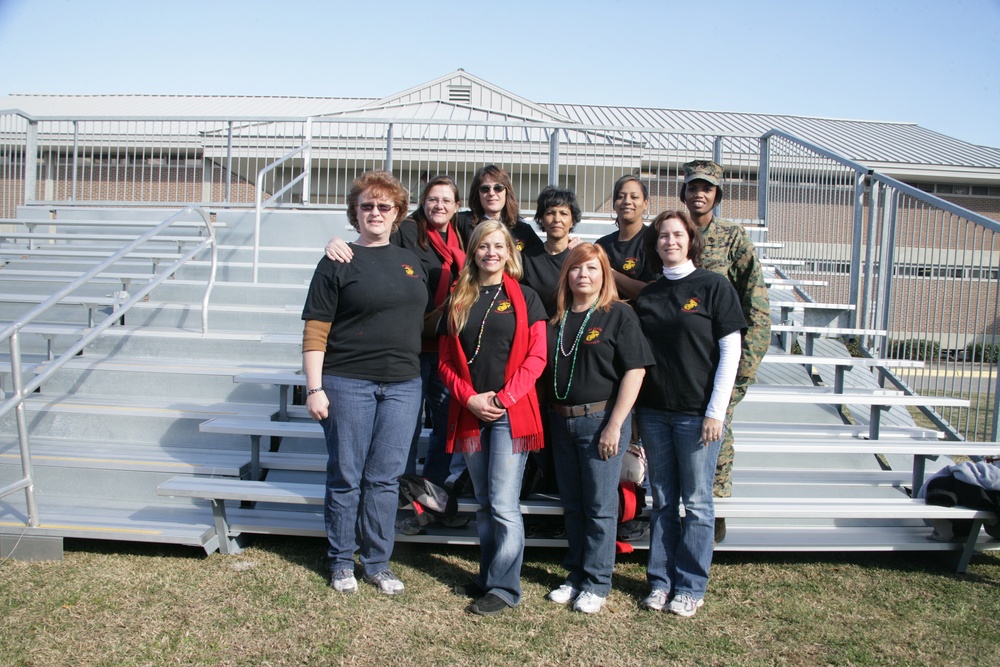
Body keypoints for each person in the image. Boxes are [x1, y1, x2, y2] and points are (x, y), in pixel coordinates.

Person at [302, 170, 426, 596]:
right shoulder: (336, 260)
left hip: (403, 386)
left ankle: (377, 562)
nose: (375, 212)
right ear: (354, 213)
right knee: (346, 475)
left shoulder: (413, 261)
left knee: (385, 479)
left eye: (384, 206)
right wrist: (314, 388)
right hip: (346, 382)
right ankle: (341, 561)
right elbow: (316, 329)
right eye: (367, 206)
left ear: (398, 214)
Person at [323, 176, 468, 499]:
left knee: (446, 424)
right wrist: (335, 241)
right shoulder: (407, 231)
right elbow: (374, 245)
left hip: (444, 344)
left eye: (446, 200)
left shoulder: (462, 234)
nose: (439, 205)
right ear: (422, 203)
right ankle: (400, 492)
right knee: (406, 427)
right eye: (432, 199)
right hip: (411, 346)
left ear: (457, 206)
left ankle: (429, 493)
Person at [634, 210, 746, 617]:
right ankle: (660, 582)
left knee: (697, 503)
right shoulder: (648, 294)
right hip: (653, 412)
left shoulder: (714, 286)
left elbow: (730, 352)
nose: (669, 241)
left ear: (691, 240)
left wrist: (717, 411)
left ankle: (691, 586)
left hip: (697, 415)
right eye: (662, 236)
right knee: (662, 500)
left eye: (677, 234)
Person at [437, 220, 548, 616]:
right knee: (483, 501)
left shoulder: (527, 297)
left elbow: (538, 357)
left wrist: (503, 398)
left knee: (503, 502)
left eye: (498, 246)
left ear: (509, 252)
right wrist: (469, 400)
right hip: (470, 412)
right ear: (473, 250)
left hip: (509, 413)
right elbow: (445, 362)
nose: (491, 252)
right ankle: (489, 576)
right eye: (484, 245)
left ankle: (505, 587)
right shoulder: (458, 297)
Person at [544, 243, 652, 614]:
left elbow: (635, 371)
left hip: (600, 422)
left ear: (604, 274)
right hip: (561, 420)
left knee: (599, 505)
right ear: (567, 275)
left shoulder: (617, 315)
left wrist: (616, 425)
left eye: (591, 268)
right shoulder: (556, 319)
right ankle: (575, 574)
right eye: (576, 269)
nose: (583, 275)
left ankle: (597, 581)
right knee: (572, 504)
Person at [680, 160, 771, 543]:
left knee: (717, 434)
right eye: (693, 187)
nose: (699, 194)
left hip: (720, 356)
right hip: (681, 357)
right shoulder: (671, 232)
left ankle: (711, 518)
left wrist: (743, 369)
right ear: (683, 192)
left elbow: (757, 304)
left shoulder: (733, 237)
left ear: (717, 195)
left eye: (708, 188)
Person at [596, 174, 659, 302]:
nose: (627, 201)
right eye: (620, 197)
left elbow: (652, 293)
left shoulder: (654, 241)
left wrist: (610, 272)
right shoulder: (602, 245)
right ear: (614, 205)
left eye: (634, 197)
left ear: (645, 203)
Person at [520, 185, 580, 316]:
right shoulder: (527, 259)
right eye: (550, 213)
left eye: (563, 213)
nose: (557, 219)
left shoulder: (580, 258)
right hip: (539, 331)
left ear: (572, 221)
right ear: (541, 219)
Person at [456, 165, 542, 253]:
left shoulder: (522, 230)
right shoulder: (462, 222)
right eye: (485, 189)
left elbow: (542, 256)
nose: (491, 193)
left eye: (498, 188)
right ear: (477, 193)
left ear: (507, 192)